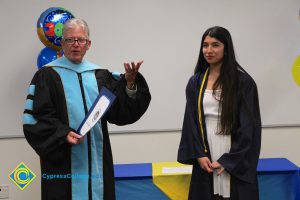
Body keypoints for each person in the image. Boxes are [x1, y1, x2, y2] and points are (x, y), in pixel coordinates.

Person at [23, 18, 151, 200]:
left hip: (97, 163)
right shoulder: (46, 76)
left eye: (81, 40)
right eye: (70, 40)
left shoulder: (100, 76)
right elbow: (36, 118)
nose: (76, 44)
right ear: (62, 43)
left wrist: (130, 84)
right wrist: (62, 134)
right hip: (63, 165)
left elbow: (120, 113)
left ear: (88, 44)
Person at [177, 26, 261, 200]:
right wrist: (199, 153)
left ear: (226, 48)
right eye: (205, 45)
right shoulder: (195, 82)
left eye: (215, 45)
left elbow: (248, 126)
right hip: (206, 149)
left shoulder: (244, 83)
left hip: (234, 150)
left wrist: (229, 160)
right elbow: (190, 122)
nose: (209, 50)